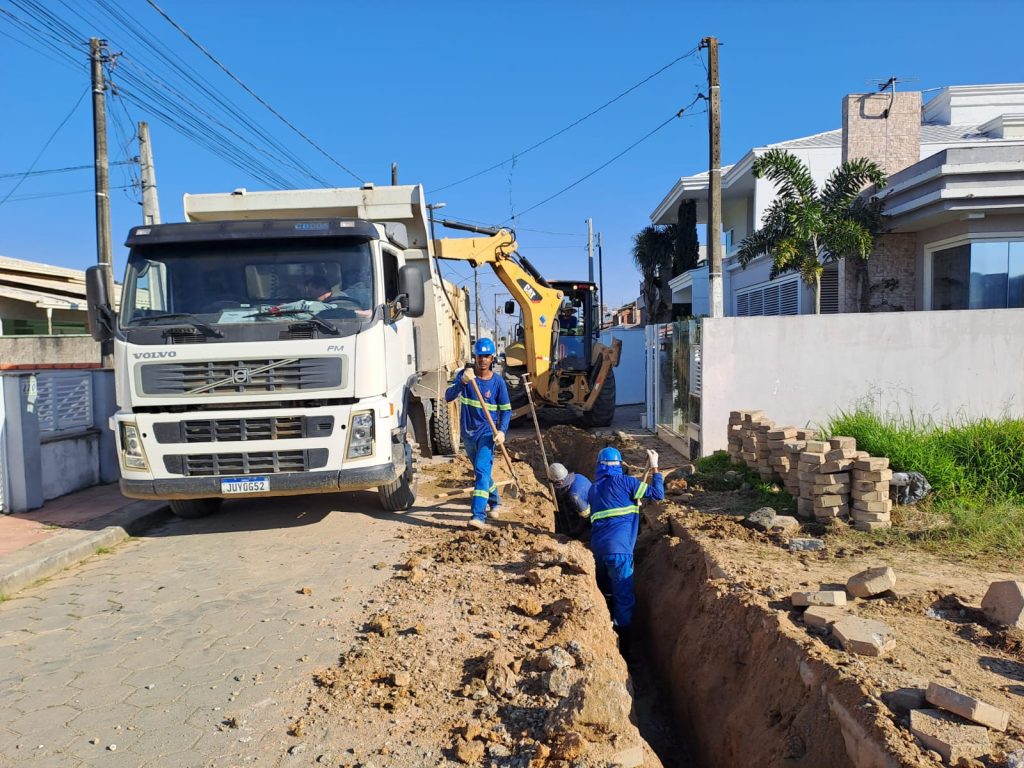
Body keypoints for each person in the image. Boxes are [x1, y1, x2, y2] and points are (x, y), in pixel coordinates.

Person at [587, 446, 664, 657]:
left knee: (605, 594)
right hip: (619, 552)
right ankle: (625, 655)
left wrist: (632, 501)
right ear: (620, 465)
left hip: (596, 552)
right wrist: (655, 467)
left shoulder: (593, 489)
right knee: (623, 600)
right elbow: (658, 494)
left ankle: (605, 638)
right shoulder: (627, 483)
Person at [444, 338, 512, 530]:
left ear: (492, 359)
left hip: (486, 435)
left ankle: (478, 516)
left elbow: (506, 410)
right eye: (479, 356)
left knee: (481, 473)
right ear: (475, 357)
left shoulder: (498, 383)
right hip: (468, 434)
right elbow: (448, 397)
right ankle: (496, 500)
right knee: (482, 472)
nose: (483, 360)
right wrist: (461, 383)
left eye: (486, 357)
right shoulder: (466, 376)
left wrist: (502, 431)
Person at [548, 463, 592, 540]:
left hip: (593, 519)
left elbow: (586, 517)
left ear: (560, 482)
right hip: (590, 503)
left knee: (582, 539)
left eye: (553, 482)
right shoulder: (578, 476)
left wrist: (576, 532)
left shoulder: (573, 496)